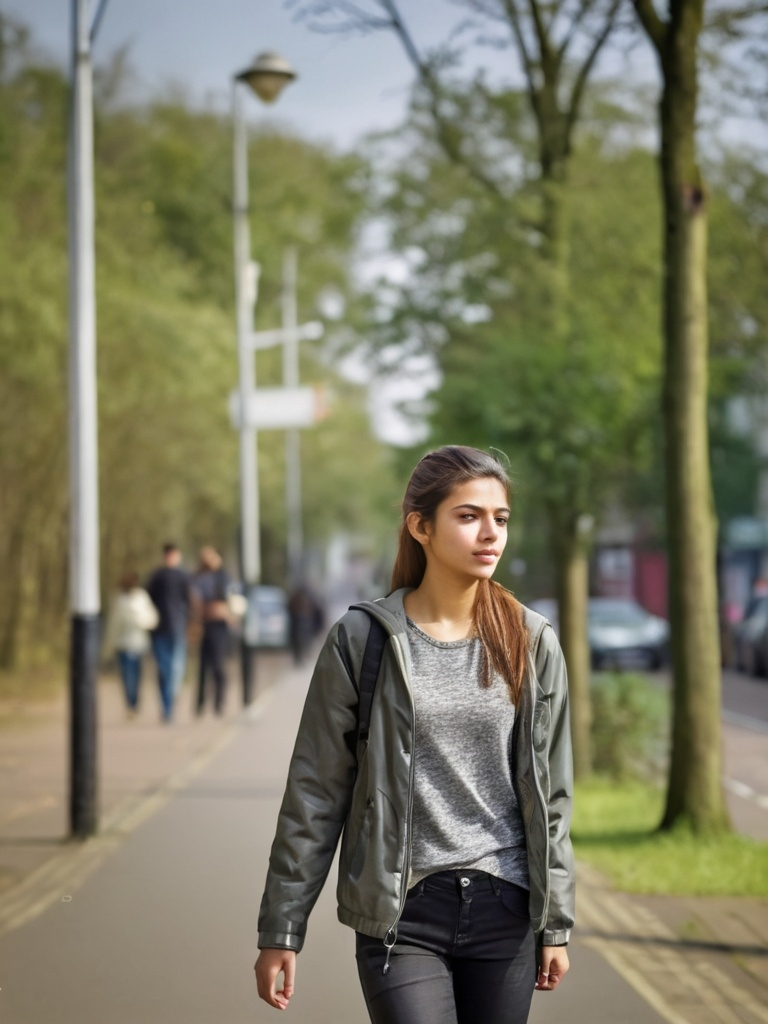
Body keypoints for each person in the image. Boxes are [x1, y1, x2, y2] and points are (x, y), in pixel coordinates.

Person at [254, 445, 575, 1024]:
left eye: (500, 518)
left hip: (506, 910)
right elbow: (315, 793)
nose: (490, 533)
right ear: (420, 526)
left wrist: (555, 921)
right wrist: (283, 926)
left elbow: (552, 797)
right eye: (468, 515)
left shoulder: (531, 640)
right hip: (401, 916)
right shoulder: (363, 639)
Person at [146, 542, 192, 723]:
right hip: (159, 630)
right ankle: (167, 708)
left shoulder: (183, 576)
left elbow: (189, 603)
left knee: (176, 669)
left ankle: (172, 698)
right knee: (164, 670)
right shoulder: (157, 577)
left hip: (178, 628)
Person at [103, 570, 159, 717]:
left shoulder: (141, 597)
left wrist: (141, 622)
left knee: (137, 676)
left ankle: (134, 703)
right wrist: (110, 644)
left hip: (139, 643)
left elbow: (151, 617)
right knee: (127, 677)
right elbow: (114, 624)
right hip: (123, 644)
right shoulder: (118, 598)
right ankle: (130, 705)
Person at [193, 546, 234, 716]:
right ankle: (200, 704)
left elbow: (226, 600)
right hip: (205, 625)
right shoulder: (199, 577)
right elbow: (195, 601)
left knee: (218, 665)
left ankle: (219, 702)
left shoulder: (222, 577)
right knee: (203, 667)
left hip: (219, 626)